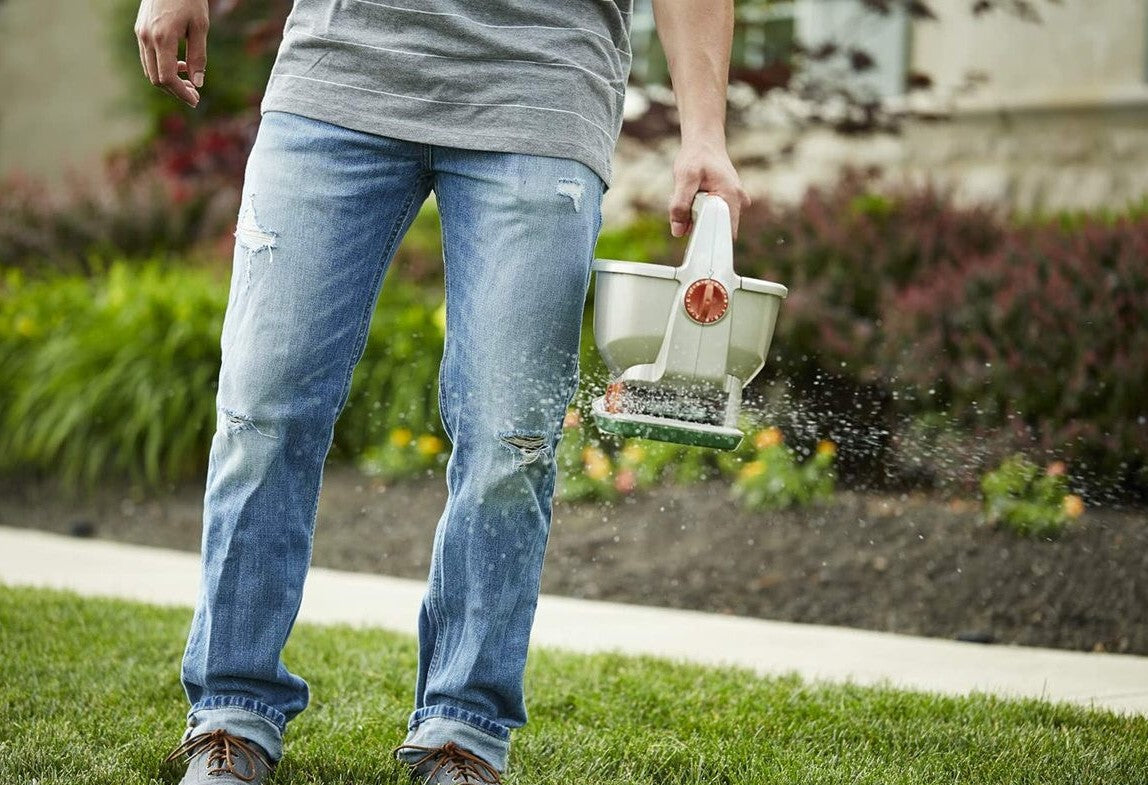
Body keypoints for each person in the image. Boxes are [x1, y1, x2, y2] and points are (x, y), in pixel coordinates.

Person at [134, 1, 749, 783]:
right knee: (263, 409)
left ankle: (463, 728)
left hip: (539, 84)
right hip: (340, 72)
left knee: (510, 436)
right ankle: (231, 710)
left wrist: (704, 132)